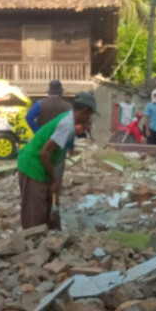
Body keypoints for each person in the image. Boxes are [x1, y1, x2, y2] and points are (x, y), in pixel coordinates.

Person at [17, 92, 97, 229]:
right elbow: (44, 153)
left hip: (39, 166)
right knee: (35, 215)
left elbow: (56, 155)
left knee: (48, 207)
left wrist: (55, 180)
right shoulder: (67, 124)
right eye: (90, 116)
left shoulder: (69, 120)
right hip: (32, 165)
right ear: (85, 112)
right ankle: (33, 246)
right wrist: (53, 180)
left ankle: (52, 237)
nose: (90, 119)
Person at [25, 80, 74, 182]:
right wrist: (71, 146)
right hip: (60, 144)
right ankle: (55, 194)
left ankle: (42, 192)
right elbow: (71, 128)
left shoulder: (40, 104)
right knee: (57, 172)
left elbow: (29, 117)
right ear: (61, 92)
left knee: (42, 169)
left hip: (43, 143)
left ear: (49, 92)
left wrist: (38, 132)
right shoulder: (68, 107)